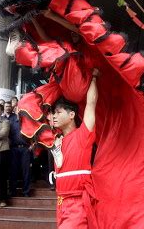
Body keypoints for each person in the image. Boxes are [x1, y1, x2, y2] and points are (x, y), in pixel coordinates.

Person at [52, 68, 98, 228]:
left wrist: (93, 78)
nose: (54, 116)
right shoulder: (55, 141)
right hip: (60, 202)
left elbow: (91, 104)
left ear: (72, 115)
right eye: (53, 113)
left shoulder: (83, 134)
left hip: (78, 202)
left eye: (58, 112)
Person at [8, 103, 31, 197]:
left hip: (26, 149)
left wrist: (32, 146)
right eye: (18, 108)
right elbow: (7, 135)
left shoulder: (28, 121)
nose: (20, 110)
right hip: (14, 149)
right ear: (15, 110)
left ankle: (26, 191)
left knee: (26, 171)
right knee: (13, 171)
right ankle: (12, 191)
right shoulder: (11, 121)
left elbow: (35, 133)